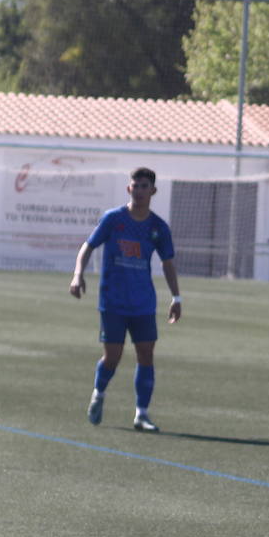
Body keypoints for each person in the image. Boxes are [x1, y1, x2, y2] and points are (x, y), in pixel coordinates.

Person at [69, 167, 181, 432]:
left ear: (153, 191)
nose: (139, 191)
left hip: (143, 302)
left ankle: (141, 414)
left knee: (146, 354)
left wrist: (176, 296)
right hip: (113, 301)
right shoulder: (114, 219)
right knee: (113, 357)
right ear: (128, 188)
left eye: (144, 186)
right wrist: (77, 275)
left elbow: (167, 263)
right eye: (135, 185)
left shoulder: (158, 227)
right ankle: (99, 393)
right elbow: (88, 246)